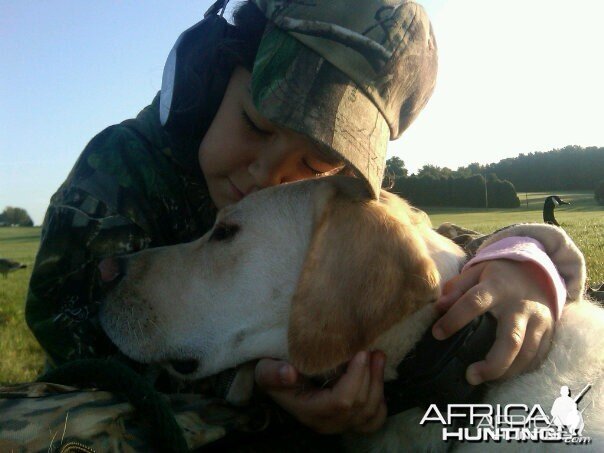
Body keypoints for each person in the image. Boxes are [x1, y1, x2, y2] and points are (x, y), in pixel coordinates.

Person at [22, 0, 585, 448]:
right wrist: (271, 390)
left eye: (315, 164)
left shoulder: (319, 216)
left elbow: (415, 242)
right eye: (256, 124)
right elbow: (76, 331)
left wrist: (517, 262)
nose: (269, 174)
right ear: (207, 79)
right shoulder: (123, 166)